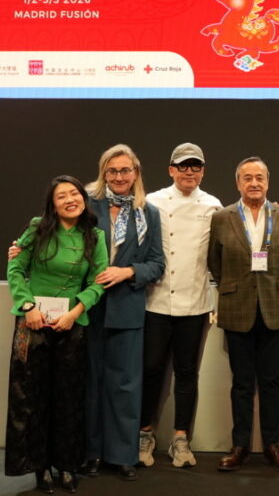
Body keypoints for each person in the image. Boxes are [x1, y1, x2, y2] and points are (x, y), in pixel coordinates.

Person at [5, 175, 108, 495]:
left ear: (83, 198)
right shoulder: (37, 228)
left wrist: (75, 313)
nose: (70, 199)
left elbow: (98, 282)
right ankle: (38, 468)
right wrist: (27, 306)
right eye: (61, 196)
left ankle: (66, 465)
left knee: (68, 399)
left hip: (71, 324)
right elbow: (15, 270)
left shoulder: (94, 235)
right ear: (52, 204)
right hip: (33, 323)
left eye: (74, 193)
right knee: (31, 399)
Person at [208, 156, 279, 473]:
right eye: (247, 178)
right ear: (238, 183)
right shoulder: (222, 218)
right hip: (237, 308)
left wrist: (272, 287)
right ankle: (241, 445)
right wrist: (235, 288)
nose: (254, 183)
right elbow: (215, 263)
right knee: (242, 383)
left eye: (259, 177)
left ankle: (273, 445)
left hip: (274, 308)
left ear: (268, 181)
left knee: (271, 382)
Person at [82, 144, 165, 481]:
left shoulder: (150, 213)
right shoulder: (87, 206)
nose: (119, 177)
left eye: (125, 170)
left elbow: (157, 263)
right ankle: (91, 453)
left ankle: (123, 454)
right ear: (104, 173)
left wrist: (128, 272)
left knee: (126, 386)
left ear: (136, 173)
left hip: (128, 308)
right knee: (91, 383)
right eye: (112, 171)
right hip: (89, 307)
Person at [138, 143, 222, 469]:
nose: (189, 172)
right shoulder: (154, 201)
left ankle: (180, 438)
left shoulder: (213, 205)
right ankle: (145, 433)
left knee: (187, 373)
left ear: (202, 170)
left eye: (195, 166)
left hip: (195, 302)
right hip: (156, 300)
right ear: (171, 170)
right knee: (151, 372)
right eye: (183, 166)